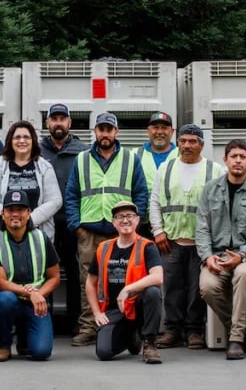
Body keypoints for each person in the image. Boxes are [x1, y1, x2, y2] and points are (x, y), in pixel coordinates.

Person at [64, 112, 149, 346]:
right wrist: (76, 226)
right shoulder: (81, 159)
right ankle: (89, 327)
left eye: (109, 130)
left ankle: (125, 326)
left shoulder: (130, 159)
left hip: (121, 233)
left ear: (116, 132)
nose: (105, 134)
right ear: (95, 132)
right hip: (88, 232)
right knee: (88, 282)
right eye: (101, 129)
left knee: (125, 279)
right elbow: (71, 195)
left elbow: (141, 193)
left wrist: (133, 224)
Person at [195, 139, 246, 360]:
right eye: (234, 156)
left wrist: (242, 255)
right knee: (207, 287)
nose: (238, 161)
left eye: (242, 157)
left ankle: (236, 339)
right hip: (217, 254)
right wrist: (207, 257)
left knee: (243, 275)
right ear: (225, 160)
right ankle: (238, 328)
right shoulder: (210, 189)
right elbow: (202, 227)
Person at [149, 125, 223, 350]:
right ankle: (172, 330)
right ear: (178, 143)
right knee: (171, 287)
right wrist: (158, 231)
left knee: (195, 289)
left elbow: (221, 208)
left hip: (201, 243)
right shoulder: (166, 168)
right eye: (183, 141)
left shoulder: (215, 170)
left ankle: (194, 331)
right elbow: (155, 201)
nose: (187, 145)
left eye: (192, 141)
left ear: (202, 144)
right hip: (171, 240)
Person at [0, 190, 61, 362]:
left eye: (20, 209)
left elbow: (54, 277)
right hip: (10, 298)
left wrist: (38, 295)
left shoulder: (42, 238)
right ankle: (4, 345)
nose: (15, 214)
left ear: (29, 213)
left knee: (41, 352)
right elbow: (1, 283)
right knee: (4, 300)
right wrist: (30, 293)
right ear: (3, 214)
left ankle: (24, 339)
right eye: (10, 210)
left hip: (36, 303)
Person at [86, 201, 163, 364]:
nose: (125, 220)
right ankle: (132, 337)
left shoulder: (147, 246)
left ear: (137, 220)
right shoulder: (103, 248)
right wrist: (97, 313)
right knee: (103, 352)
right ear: (114, 222)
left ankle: (149, 343)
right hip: (114, 310)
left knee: (153, 293)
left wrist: (128, 289)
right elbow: (90, 283)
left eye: (130, 216)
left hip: (138, 307)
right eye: (120, 217)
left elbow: (158, 277)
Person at [38, 103, 89, 331]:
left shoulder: (83, 151)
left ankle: (75, 320)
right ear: (47, 123)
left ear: (69, 122)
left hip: (72, 222)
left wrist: (79, 222)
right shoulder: (37, 150)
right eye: (54, 119)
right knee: (44, 269)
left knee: (75, 271)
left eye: (62, 119)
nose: (58, 123)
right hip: (44, 222)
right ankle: (43, 318)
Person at [0, 120, 63, 241]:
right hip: (5, 234)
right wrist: (10, 218)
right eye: (17, 137)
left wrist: (29, 220)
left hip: (37, 235)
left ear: (33, 141)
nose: (22, 141)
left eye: (26, 137)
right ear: (10, 141)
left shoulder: (45, 167)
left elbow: (55, 201)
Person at [133, 112, 178, 237]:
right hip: (142, 223)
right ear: (148, 131)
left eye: (164, 128)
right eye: (155, 127)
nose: (159, 132)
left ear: (172, 132)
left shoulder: (181, 155)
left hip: (172, 223)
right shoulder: (135, 154)